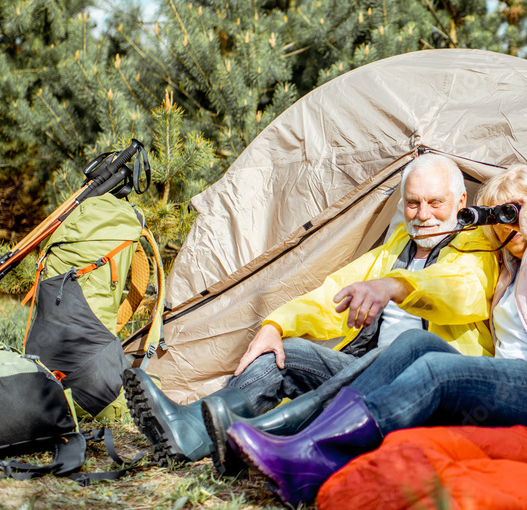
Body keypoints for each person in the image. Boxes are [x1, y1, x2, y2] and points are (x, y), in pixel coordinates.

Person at [226, 164, 527, 507]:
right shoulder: (499, 264)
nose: (510, 223)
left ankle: (316, 457)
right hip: (514, 383)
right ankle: (303, 445)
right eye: (501, 215)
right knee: (414, 345)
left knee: (439, 371)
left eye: (518, 208)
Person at [124, 153, 499, 465]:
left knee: (404, 347)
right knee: (285, 354)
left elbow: (458, 292)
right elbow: (334, 292)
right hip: (365, 375)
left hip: (427, 392)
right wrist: (276, 325)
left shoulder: (476, 250)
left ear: (461, 203)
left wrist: (395, 287)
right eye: (414, 203)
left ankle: (233, 439)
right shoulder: (396, 248)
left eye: (436, 203)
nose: (423, 215)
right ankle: (194, 430)